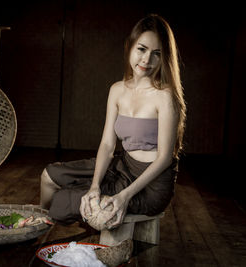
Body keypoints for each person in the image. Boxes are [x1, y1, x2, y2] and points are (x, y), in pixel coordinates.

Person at [40, 14, 186, 230]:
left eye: (156, 54)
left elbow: (165, 158)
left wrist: (124, 197)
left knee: (63, 201)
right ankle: (38, 222)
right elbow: (108, 144)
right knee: (50, 175)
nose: (147, 60)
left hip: (152, 186)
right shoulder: (117, 90)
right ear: (130, 46)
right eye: (141, 49)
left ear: (164, 57)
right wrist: (95, 187)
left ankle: (44, 225)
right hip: (123, 166)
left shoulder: (165, 97)